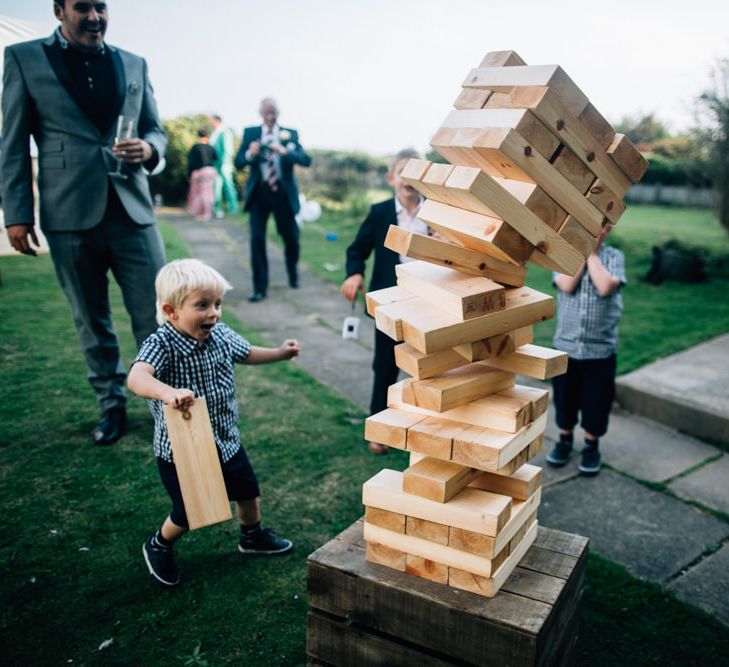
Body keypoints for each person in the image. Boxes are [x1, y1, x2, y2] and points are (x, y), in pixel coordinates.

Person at [0, 0, 167, 446]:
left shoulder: (133, 62)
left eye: (100, 7)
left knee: (157, 315)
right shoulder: (23, 58)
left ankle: (165, 404)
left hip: (133, 212)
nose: (93, 16)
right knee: (91, 319)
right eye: (82, 7)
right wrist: (16, 214)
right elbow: (12, 141)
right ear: (59, 10)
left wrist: (149, 150)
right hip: (67, 213)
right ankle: (111, 405)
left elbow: (156, 129)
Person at [127, 258, 300, 587]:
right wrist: (167, 393)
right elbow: (136, 378)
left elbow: (246, 352)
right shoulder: (161, 344)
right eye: (203, 305)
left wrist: (280, 352)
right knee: (190, 511)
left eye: (218, 304)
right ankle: (158, 545)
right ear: (171, 310)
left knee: (247, 491)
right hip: (184, 450)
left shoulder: (219, 334)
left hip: (226, 439)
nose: (214, 313)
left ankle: (251, 536)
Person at [340, 149, 427, 454]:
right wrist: (354, 275)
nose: (408, 178)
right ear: (392, 178)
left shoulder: (436, 212)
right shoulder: (380, 213)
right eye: (403, 171)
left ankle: (428, 431)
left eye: (416, 171)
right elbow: (357, 250)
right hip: (390, 303)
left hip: (430, 304)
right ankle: (379, 428)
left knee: (429, 368)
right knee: (385, 366)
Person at [546, 223, 626, 476]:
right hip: (567, 347)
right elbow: (566, 285)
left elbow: (605, 287)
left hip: (599, 351)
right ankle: (565, 440)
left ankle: (591, 446)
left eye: (600, 228)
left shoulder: (614, 257)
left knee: (596, 401)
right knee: (564, 398)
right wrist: (581, 253)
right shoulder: (565, 257)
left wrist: (592, 254)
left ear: (608, 230)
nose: (594, 233)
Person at [234, 98, 311, 302]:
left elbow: (306, 160)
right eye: (266, 113)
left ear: (278, 112)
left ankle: (293, 274)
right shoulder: (250, 133)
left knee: (291, 238)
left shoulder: (289, 133)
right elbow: (238, 162)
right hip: (259, 194)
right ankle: (260, 288)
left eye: (273, 112)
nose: (270, 116)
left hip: (283, 195)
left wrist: (286, 151)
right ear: (260, 113)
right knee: (257, 240)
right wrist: (250, 153)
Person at [209, 114, 239, 220]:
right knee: (216, 187)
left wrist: (223, 163)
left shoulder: (225, 132)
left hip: (224, 164)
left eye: (211, 121)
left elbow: (228, 150)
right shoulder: (215, 133)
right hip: (216, 164)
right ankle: (216, 208)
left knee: (228, 186)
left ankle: (233, 208)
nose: (210, 123)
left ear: (217, 121)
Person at [186, 128, 217, 221]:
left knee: (200, 193)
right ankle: (208, 212)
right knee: (209, 192)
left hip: (200, 172)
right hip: (211, 171)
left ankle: (203, 213)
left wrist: (188, 174)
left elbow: (191, 162)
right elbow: (216, 159)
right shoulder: (211, 147)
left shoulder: (196, 147)